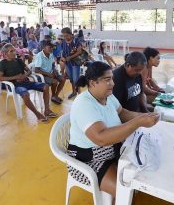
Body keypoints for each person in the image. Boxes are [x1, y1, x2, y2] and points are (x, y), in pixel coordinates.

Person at [67, 61, 160, 198]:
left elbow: (123, 113)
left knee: (143, 176)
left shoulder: (108, 96)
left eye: (112, 79)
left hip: (114, 149)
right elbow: (101, 138)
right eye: (107, 80)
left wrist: (144, 116)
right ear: (93, 83)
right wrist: (138, 122)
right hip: (88, 161)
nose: (113, 83)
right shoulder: (83, 103)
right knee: (124, 192)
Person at [0, 43, 57, 122]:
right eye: (11, 51)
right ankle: (37, 114)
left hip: (26, 82)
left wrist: (25, 76)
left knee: (45, 86)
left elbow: (28, 71)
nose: (14, 53)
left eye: (14, 50)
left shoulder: (18, 61)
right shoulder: (2, 64)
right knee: (25, 94)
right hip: (15, 85)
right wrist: (16, 77)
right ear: (5, 54)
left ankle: (47, 110)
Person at [61, 27, 82, 99]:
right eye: (63, 36)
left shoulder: (76, 40)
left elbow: (79, 51)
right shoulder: (63, 41)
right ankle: (74, 92)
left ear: (70, 34)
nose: (65, 37)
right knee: (71, 79)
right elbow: (63, 51)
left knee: (76, 79)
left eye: (66, 35)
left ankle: (80, 95)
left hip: (75, 63)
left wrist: (70, 57)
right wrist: (63, 57)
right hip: (67, 63)